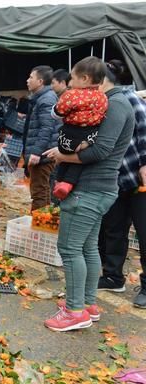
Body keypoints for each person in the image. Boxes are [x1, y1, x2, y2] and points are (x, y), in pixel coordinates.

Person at [43, 57, 135, 332]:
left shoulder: (116, 105)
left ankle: (74, 312)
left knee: (69, 249)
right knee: (87, 247)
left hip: (90, 189)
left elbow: (99, 151)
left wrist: (63, 155)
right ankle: (87, 303)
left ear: (90, 80)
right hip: (95, 189)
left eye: (75, 80)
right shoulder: (110, 103)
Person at [97, 59, 146, 309]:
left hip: (138, 179)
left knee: (144, 232)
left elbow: (145, 132)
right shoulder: (99, 105)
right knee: (113, 230)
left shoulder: (130, 99)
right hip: (114, 179)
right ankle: (113, 277)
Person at [52, 57, 109, 200]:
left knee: (66, 157)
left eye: (72, 78)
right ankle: (67, 184)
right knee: (78, 161)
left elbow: (59, 111)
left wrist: (56, 111)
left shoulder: (71, 94)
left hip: (71, 132)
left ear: (84, 78)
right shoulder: (103, 97)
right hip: (90, 135)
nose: (70, 83)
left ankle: (59, 181)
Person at [23, 65, 61, 211]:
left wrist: (37, 152)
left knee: (39, 190)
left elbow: (47, 128)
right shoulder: (42, 98)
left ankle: (38, 224)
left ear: (40, 81)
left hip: (43, 154)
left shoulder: (47, 100)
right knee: (42, 189)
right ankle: (43, 219)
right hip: (44, 152)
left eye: (31, 77)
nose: (27, 80)